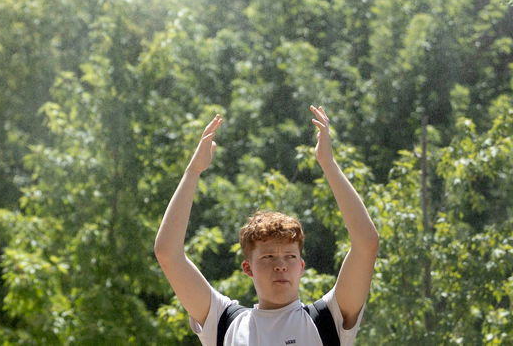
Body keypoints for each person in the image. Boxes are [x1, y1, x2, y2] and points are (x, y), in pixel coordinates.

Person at [154, 106, 379, 345]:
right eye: (268, 256)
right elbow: (167, 253)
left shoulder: (326, 320)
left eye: (290, 257)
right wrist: (192, 171)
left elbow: (366, 244)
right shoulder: (224, 322)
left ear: (301, 267)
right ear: (247, 268)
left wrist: (329, 164)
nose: (280, 265)